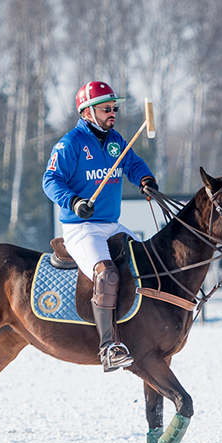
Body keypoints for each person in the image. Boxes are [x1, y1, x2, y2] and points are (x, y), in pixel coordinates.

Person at [43, 80, 158, 372]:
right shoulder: (70, 144)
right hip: (82, 228)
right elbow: (50, 180)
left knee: (150, 260)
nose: (112, 113)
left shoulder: (117, 140)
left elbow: (132, 164)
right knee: (105, 275)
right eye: (106, 108)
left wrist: (145, 180)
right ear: (87, 112)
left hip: (111, 224)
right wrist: (74, 201)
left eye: (114, 108)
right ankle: (108, 347)